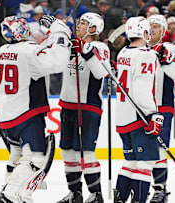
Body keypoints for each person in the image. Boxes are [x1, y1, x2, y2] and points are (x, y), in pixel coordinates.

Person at [0, 15, 72, 203]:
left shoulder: (1, 51)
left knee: (16, 155)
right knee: (35, 159)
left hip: (6, 117)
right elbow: (57, 61)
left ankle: (14, 190)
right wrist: (60, 31)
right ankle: (11, 193)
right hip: (27, 114)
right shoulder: (29, 51)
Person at [57, 12, 110, 203]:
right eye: (78, 22)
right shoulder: (71, 45)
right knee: (68, 151)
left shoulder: (99, 47)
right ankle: (75, 193)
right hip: (67, 105)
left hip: (87, 107)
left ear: (93, 29)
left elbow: (101, 73)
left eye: (83, 23)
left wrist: (85, 51)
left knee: (86, 152)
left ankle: (96, 194)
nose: (78, 25)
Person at [113, 16, 163, 203]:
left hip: (122, 117)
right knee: (146, 162)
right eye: (148, 30)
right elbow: (142, 90)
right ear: (142, 32)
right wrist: (153, 114)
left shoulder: (124, 53)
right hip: (138, 117)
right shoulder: (146, 54)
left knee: (130, 161)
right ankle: (139, 200)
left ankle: (120, 198)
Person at [147, 14, 175, 203]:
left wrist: (165, 60)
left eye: (156, 26)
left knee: (158, 148)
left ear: (162, 30)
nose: (152, 30)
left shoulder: (169, 48)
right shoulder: (139, 49)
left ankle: (160, 189)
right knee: (140, 149)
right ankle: (141, 185)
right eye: (149, 26)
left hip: (162, 107)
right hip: (140, 107)